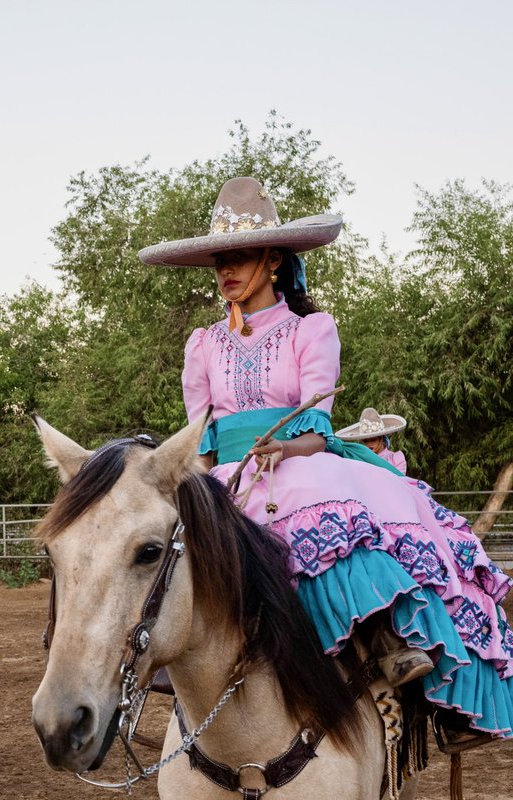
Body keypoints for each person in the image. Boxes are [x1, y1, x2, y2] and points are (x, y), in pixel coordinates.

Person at [139, 177, 513, 745]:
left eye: (239, 256)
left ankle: (395, 651)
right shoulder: (203, 344)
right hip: (225, 475)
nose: (226, 270)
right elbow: (202, 442)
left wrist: (282, 448)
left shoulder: (310, 331)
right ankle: (156, 667)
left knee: (332, 509)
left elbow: (316, 428)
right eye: (220, 259)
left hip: (296, 460)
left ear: (272, 260)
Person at [337, 407, 408, 475]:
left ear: (382, 439)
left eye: (373, 439)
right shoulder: (358, 458)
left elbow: (400, 482)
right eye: (366, 441)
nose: (369, 444)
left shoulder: (396, 458)